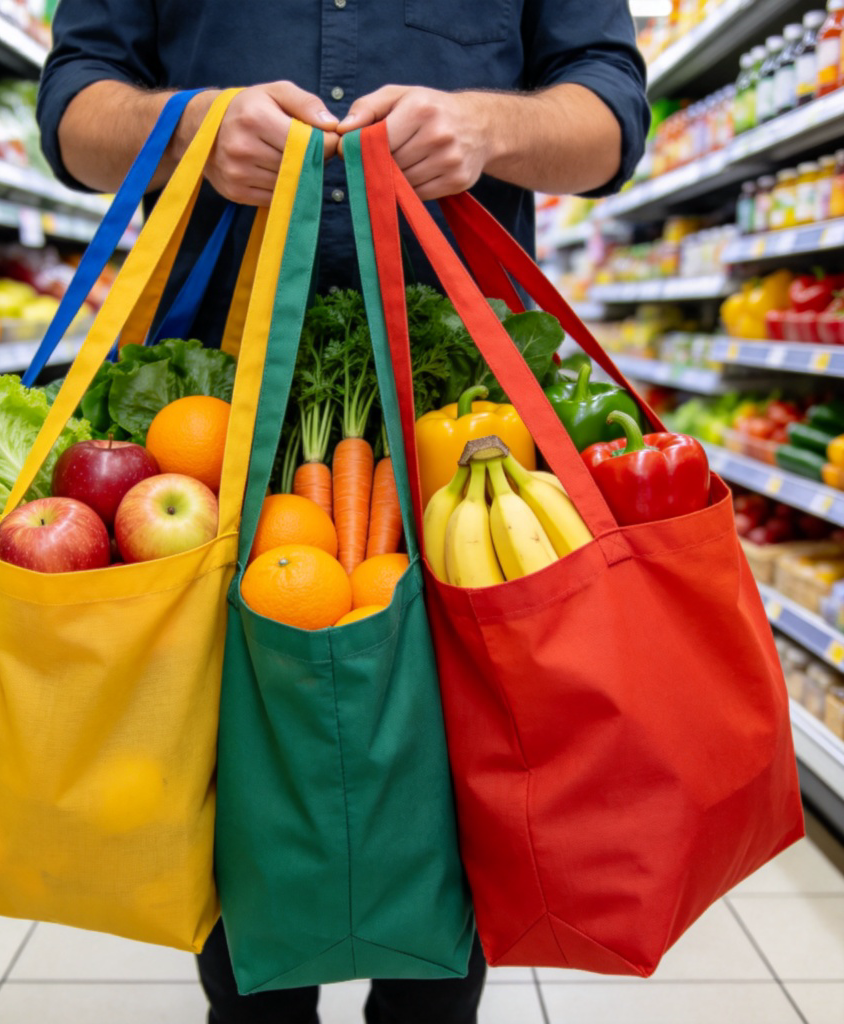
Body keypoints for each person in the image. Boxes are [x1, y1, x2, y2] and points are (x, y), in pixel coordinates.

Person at [37, 4, 648, 1021]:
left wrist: (492, 129)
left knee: (454, 794)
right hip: (206, 415)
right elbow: (71, 110)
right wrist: (180, 127)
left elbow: (612, 118)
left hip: (461, 416)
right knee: (234, 801)